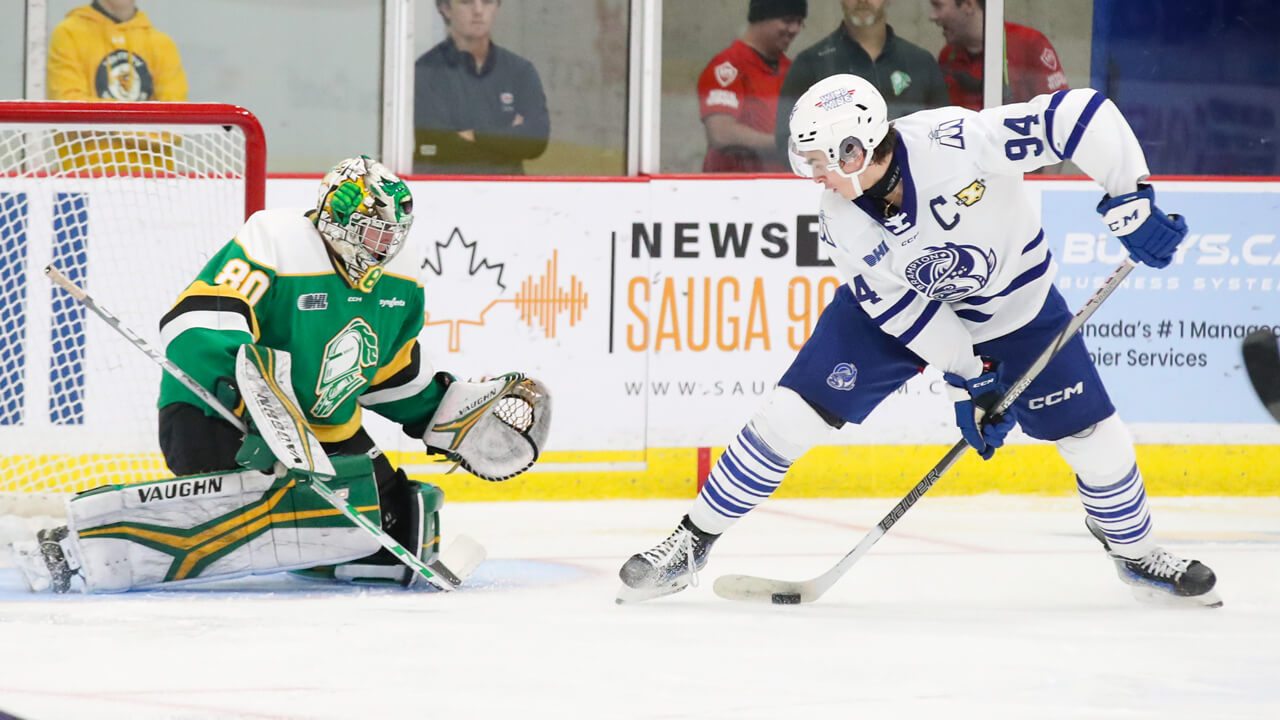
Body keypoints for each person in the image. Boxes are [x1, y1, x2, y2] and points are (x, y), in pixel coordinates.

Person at [618, 75, 1221, 608]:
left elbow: (1078, 116)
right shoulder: (841, 217)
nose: (816, 176)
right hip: (898, 313)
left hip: (1016, 308)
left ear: (855, 149)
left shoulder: (955, 142)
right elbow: (907, 315)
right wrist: (973, 378)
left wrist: (1128, 198)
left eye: (822, 160)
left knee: (1095, 438)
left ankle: (1135, 551)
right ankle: (691, 542)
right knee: (788, 415)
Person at [10, 156, 550, 594]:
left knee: (397, 517)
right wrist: (252, 403)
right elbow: (200, 318)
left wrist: (441, 411)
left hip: (318, 434)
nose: (379, 248)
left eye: (390, 236)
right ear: (335, 218)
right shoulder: (277, 239)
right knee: (246, 502)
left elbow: (388, 370)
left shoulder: (400, 286)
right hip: (216, 412)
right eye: (369, 232)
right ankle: (74, 545)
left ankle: (325, 549)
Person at [773, 0, 948, 158]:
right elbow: (787, 141)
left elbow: (944, 131)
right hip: (839, 186)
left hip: (911, 184)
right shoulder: (811, 63)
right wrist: (836, 170)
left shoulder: (920, 62)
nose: (862, 1)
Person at [414, 0, 550, 175]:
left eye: (487, 2)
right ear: (445, 9)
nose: (478, 11)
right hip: (446, 193)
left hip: (508, 195)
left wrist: (474, 135)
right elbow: (437, 147)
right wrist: (509, 138)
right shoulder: (426, 71)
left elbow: (535, 141)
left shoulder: (519, 71)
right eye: (466, 2)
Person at [697, 0, 808, 173]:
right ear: (762, 17)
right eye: (788, 20)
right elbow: (722, 133)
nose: (794, 29)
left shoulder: (793, 72)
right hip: (735, 190)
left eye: (800, 22)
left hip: (783, 187)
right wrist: (786, 144)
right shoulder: (728, 67)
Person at [928, 0, 1068, 111]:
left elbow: (1058, 110)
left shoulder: (1030, 43)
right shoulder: (947, 55)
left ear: (968, 5)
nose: (932, 16)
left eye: (938, 5)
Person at [47, 0, 188, 102]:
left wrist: (110, 123)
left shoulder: (162, 44)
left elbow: (173, 127)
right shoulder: (69, 33)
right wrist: (142, 125)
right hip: (87, 145)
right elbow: (69, 108)